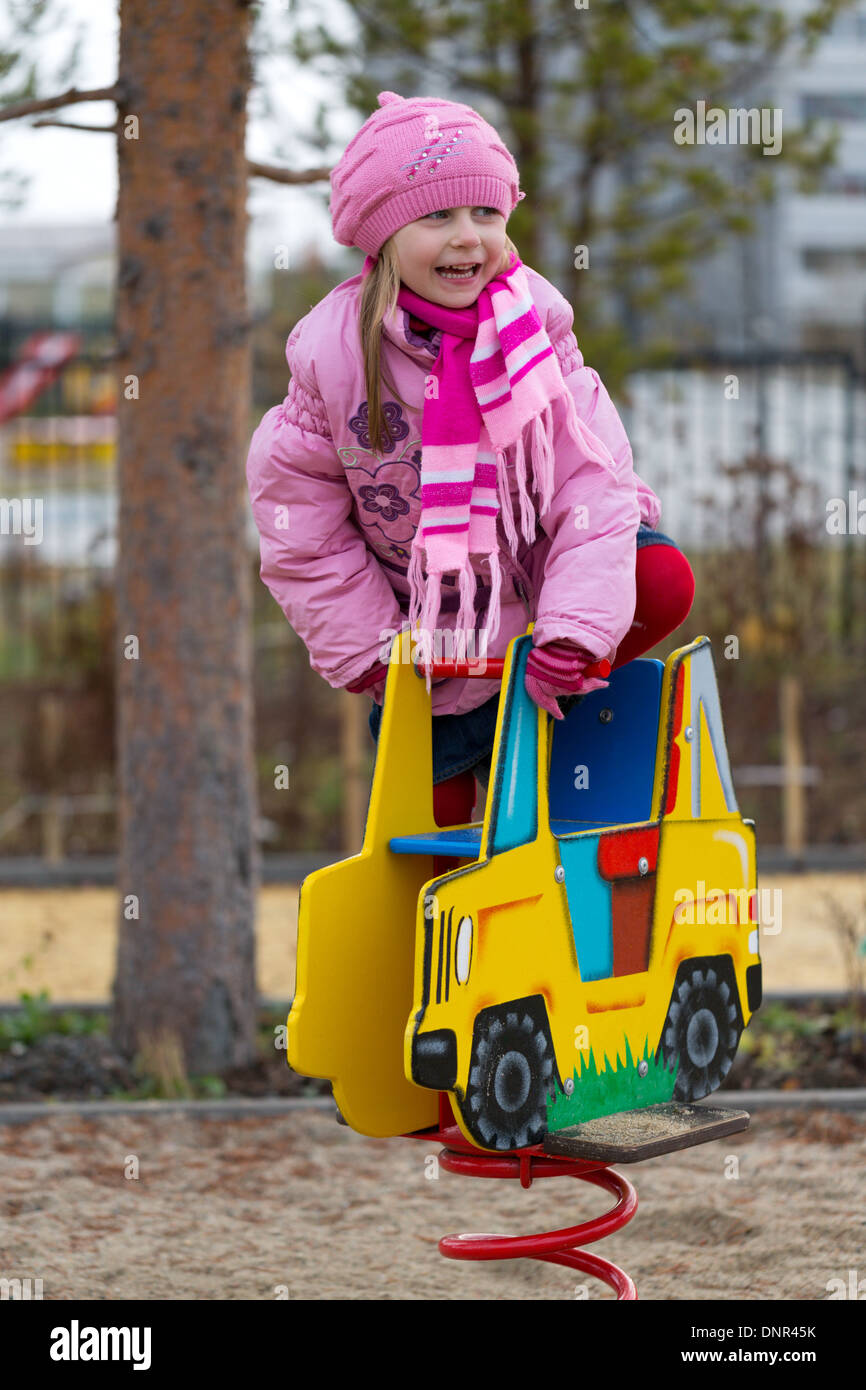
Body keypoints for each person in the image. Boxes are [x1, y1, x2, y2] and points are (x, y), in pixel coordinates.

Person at [246, 91, 695, 830]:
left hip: (545, 582)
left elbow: (595, 486)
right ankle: (472, 772)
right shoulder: (331, 357)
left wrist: (575, 633)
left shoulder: (536, 332)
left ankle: (561, 691)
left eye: (486, 214)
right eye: (437, 217)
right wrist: (370, 652)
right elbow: (301, 526)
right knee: (427, 828)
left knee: (660, 575)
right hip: (431, 628)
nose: (468, 239)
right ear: (383, 235)